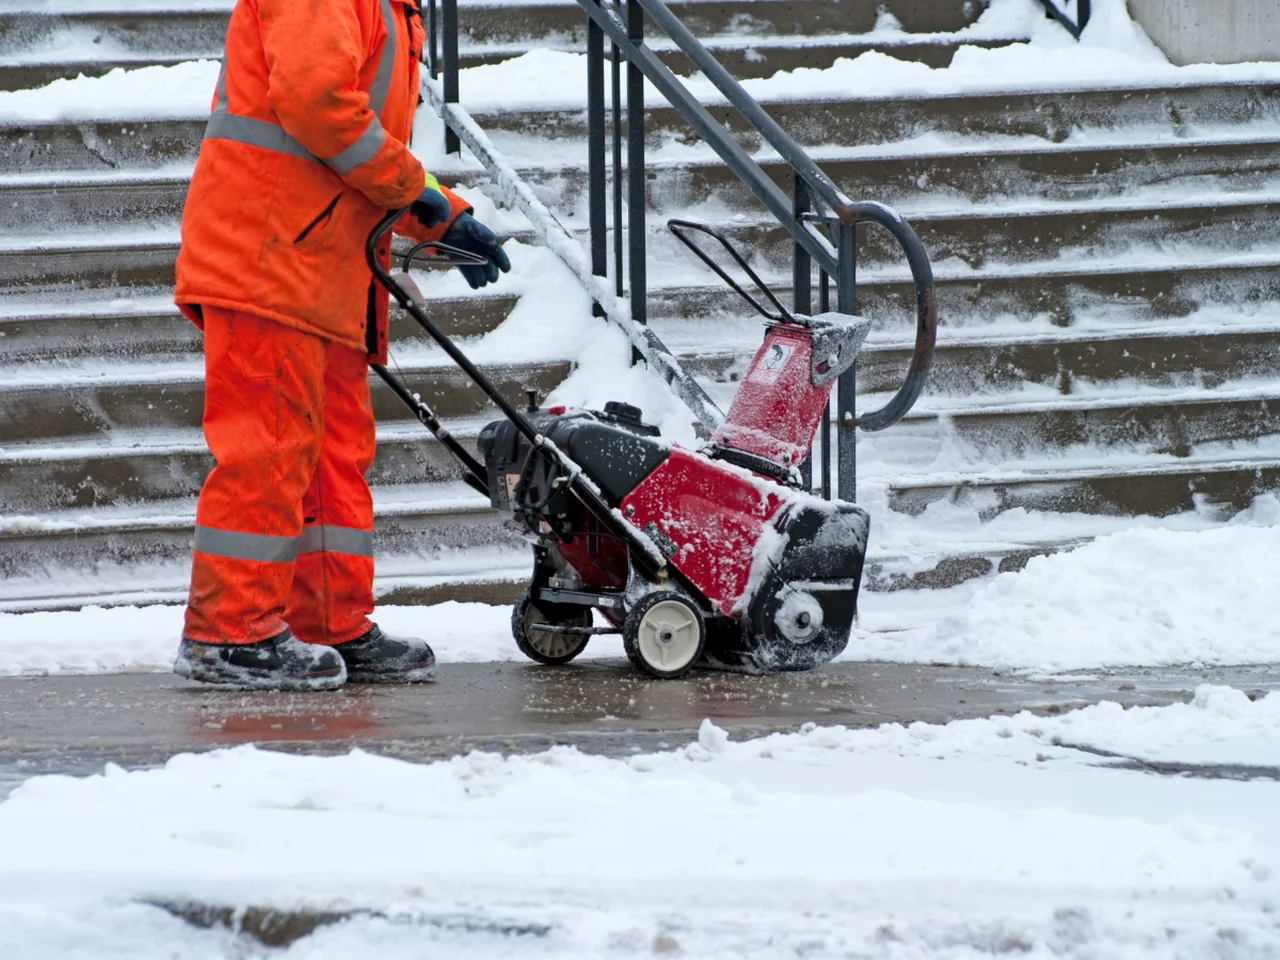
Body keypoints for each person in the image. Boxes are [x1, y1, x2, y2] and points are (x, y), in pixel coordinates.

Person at [170, 0, 510, 690]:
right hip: (269, 256)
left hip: (319, 265)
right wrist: (419, 193)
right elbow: (319, 105)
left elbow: (351, 133)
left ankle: (331, 621)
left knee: (330, 458)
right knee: (267, 451)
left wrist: (434, 210)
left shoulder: (388, 8)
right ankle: (227, 634)